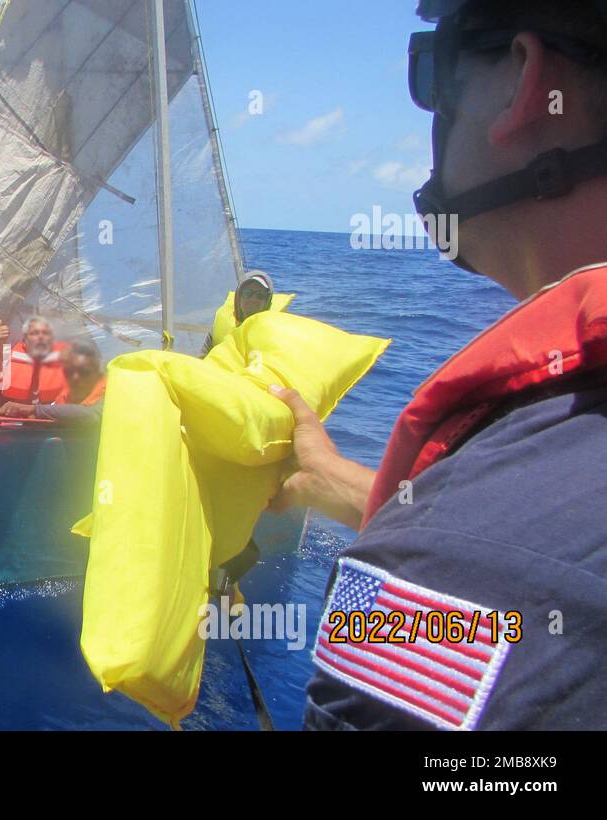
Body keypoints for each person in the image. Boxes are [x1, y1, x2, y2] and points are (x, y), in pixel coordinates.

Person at [275, 0, 607, 730]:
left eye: (433, 71)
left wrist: (400, 545)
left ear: (525, 80)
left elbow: (488, 552)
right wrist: (330, 483)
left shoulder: (424, 582)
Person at [0, 338, 107, 425]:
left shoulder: (111, 391)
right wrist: (26, 414)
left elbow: (93, 415)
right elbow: (57, 410)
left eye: (84, 371)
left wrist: (34, 410)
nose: (76, 377)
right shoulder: (69, 391)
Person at [200, 271, 274, 357]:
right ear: (238, 297)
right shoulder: (220, 326)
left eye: (260, 295)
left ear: (267, 302)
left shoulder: (272, 334)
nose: (253, 299)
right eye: (247, 293)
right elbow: (201, 358)